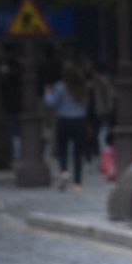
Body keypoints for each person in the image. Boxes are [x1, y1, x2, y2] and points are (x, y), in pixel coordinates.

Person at [44, 63, 90, 192]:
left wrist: (47, 93)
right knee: (78, 153)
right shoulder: (82, 86)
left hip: (64, 120)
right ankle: (78, 183)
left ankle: (64, 171)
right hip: (79, 120)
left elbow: (52, 104)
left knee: (63, 149)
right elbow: (86, 104)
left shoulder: (60, 86)